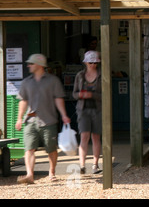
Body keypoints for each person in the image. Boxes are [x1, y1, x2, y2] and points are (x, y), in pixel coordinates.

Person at [15, 53, 71, 184]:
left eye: (31, 63)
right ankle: (29, 174)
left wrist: (64, 115)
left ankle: (52, 172)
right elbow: (23, 101)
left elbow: (58, 99)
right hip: (30, 121)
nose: (28, 65)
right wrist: (19, 118)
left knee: (51, 149)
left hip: (48, 120)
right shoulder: (26, 82)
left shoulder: (53, 81)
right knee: (29, 148)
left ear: (40, 65)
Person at [72, 50, 102, 174]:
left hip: (98, 109)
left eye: (95, 62)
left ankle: (95, 164)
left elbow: (105, 95)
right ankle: (82, 165)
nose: (93, 65)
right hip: (83, 110)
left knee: (96, 137)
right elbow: (73, 94)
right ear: (85, 63)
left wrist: (92, 95)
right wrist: (80, 94)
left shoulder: (102, 75)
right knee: (84, 136)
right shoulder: (79, 76)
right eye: (90, 62)